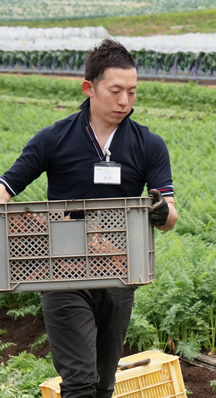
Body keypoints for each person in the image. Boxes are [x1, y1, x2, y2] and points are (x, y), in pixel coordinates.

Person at [0, 39, 178, 397]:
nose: (124, 101)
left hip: (119, 274)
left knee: (103, 383)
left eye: (132, 92)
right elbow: (7, 186)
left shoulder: (149, 144)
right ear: (89, 88)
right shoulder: (54, 138)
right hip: (62, 274)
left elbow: (170, 213)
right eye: (115, 91)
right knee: (80, 383)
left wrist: (161, 211)